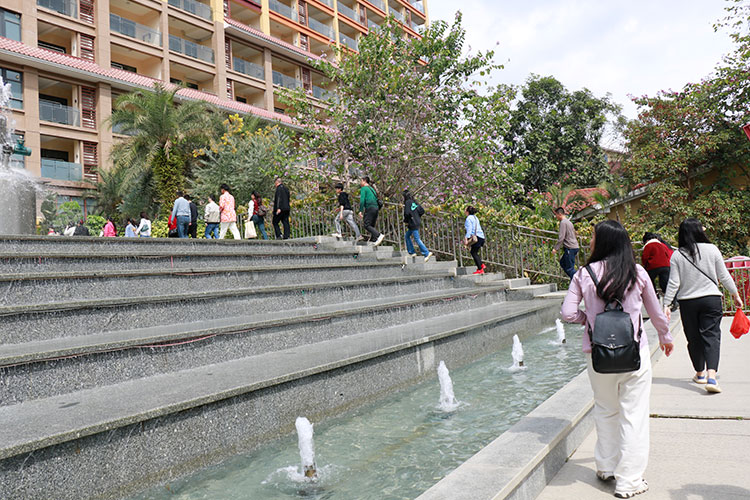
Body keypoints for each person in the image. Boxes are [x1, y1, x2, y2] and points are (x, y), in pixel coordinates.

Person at [561, 220, 673, 499]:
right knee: (634, 415)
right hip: (634, 353)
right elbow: (655, 311)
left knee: (605, 409)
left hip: (598, 355)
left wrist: (589, 319)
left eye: (593, 237)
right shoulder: (637, 272)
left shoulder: (583, 274)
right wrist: (665, 336)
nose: (589, 242)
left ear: (603, 242)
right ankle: (629, 481)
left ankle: (607, 466)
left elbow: (567, 313)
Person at [663, 218, 743, 393]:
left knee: (693, 338)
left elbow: (674, 282)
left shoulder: (677, 255)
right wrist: (735, 294)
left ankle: (700, 374)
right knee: (711, 336)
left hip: (688, 302)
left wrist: (666, 304)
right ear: (698, 231)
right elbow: (724, 275)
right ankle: (711, 377)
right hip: (711, 300)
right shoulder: (712, 249)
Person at [403, 189, 433, 262]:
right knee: (407, 236)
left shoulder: (407, 202)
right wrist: (416, 216)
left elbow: (406, 213)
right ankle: (412, 252)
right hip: (416, 221)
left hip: (412, 222)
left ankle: (426, 253)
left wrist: (406, 220)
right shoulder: (414, 202)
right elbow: (422, 211)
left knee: (417, 239)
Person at [552, 207, 580, 279]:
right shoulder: (569, 222)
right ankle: (575, 279)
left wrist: (555, 248)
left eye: (556, 215)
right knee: (563, 263)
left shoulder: (563, 223)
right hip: (574, 246)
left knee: (569, 268)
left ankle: (579, 280)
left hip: (570, 248)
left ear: (560, 214)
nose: (556, 217)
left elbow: (561, 237)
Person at [358, 176, 384, 246]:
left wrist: (360, 210)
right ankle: (373, 240)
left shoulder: (364, 188)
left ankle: (378, 235)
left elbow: (362, 200)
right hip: (376, 208)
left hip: (370, 207)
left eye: (361, 181)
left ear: (364, 181)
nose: (360, 183)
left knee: (366, 225)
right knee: (372, 225)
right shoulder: (372, 189)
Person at [463, 206, 485, 275]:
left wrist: (466, 238)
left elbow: (469, 229)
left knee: (473, 252)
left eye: (465, 210)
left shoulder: (468, 218)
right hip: (481, 237)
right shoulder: (475, 217)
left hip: (476, 237)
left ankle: (480, 269)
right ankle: (481, 265)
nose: (464, 211)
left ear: (467, 211)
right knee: (474, 252)